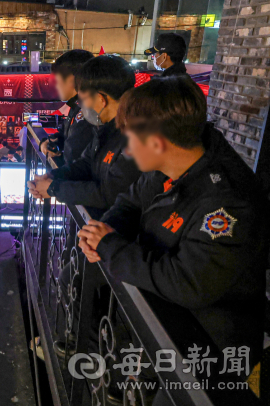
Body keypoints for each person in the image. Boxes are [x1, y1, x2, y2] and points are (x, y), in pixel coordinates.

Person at [78, 76, 269, 379]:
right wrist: (102, 233)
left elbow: (188, 283)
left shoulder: (228, 202)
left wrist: (111, 247)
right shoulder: (173, 162)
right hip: (154, 315)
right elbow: (130, 202)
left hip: (204, 351)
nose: (127, 150)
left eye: (130, 139)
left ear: (157, 143)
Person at [27, 55, 141, 221]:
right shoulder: (104, 127)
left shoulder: (136, 136)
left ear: (101, 100)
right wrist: (53, 177)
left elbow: (109, 193)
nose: (82, 106)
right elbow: (86, 163)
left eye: (83, 99)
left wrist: (55, 189)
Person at [40, 49, 95, 166]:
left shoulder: (89, 111)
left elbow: (73, 152)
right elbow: (64, 135)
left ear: (71, 79)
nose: (55, 84)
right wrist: (47, 142)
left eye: (57, 79)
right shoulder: (76, 106)